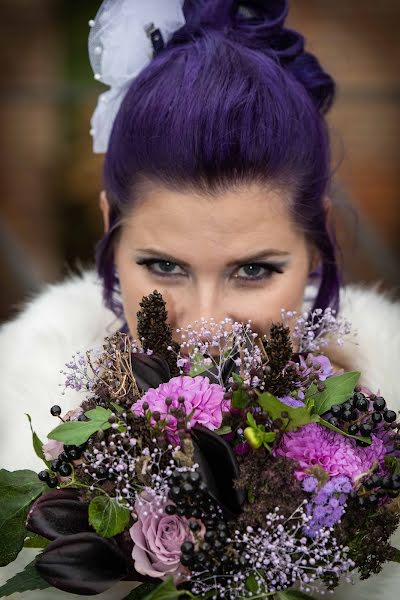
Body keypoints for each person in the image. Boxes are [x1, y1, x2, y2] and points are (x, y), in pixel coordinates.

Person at [0, 1, 399, 598]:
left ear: (318, 244)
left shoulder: (386, 402)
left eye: (255, 270)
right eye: (163, 266)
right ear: (111, 229)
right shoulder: (16, 402)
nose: (205, 326)